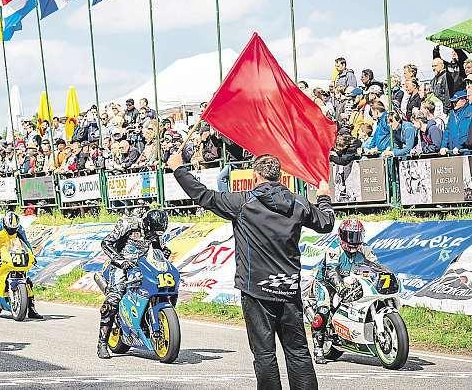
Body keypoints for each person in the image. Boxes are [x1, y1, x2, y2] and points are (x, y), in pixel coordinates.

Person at [168, 153, 335, 390]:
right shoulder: (298, 203)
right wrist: (324, 196)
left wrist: (178, 169)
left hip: (256, 291)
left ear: (255, 175)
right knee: (298, 352)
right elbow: (326, 222)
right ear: (281, 177)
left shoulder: (243, 203)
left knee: (265, 355)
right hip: (288, 289)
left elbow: (203, 195)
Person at [96, 209, 171, 359]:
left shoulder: (154, 233)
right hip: (118, 266)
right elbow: (106, 243)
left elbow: (157, 248)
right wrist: (120, 261)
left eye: (158, 234)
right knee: (113, 300)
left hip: (140, 266)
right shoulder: (128, 224)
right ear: (146, 224)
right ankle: (102, 343)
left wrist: (164, 252)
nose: (154, 236)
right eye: (153, 233)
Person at [306, 219, 378, 364]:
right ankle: (318, 348)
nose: (353, 241)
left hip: (350, 283)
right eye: (349, 236)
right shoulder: (334, 248)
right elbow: (331, 272)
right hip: (326, 284)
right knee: (323, 311)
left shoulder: (365, 249)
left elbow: (375, 267)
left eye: (356, 237)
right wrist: (340, 288)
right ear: (341, 235)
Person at [440, 91, 472, 155]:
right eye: (453, 102)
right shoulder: (452, 114)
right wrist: (443, 146)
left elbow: (467, 132)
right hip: (453, 151)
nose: (454, 103)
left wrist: (459, 146)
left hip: (466, 151)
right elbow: (447, 130)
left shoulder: (470, 111)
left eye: (456, 101)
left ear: (463, 100)